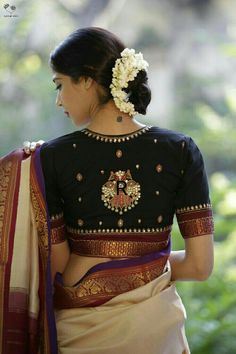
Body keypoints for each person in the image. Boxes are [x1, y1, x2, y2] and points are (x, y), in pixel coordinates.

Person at [0, 27, 214, 354]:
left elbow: (59, 268)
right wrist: (144, 269)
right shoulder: (181, 151)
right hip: (156, 333)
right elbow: (200, 267)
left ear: (86, 80)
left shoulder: (51, 158)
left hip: (80, 336)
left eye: (60, 85)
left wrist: (104, 266)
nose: (58, 100)